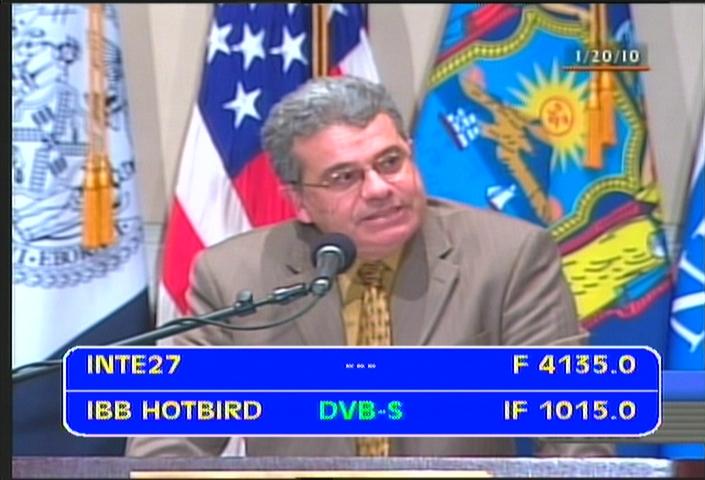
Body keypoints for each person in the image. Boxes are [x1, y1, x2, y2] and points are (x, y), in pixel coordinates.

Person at [127, 76, 613, 457]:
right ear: (299, 200)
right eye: (344, 177)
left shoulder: (509, 256)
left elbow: (575, 429)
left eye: (390, 161)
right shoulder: (235, 276)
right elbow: (169, 437)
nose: (380, 189)